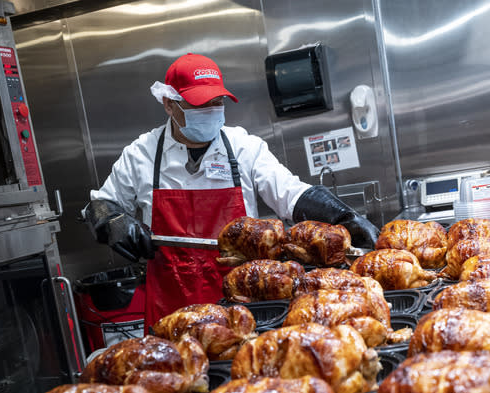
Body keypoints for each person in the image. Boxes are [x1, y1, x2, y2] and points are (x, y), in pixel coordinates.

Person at [83, 53, 379, 327]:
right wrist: (116, 224)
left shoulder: (243, 147)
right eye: (200, 104)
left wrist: (342, 216)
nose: (212, 111)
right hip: (172, 311)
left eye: (217, 102)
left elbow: (289, 193)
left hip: (243, 301)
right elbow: (101, 206)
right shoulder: (142, 154)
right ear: (169, 104)